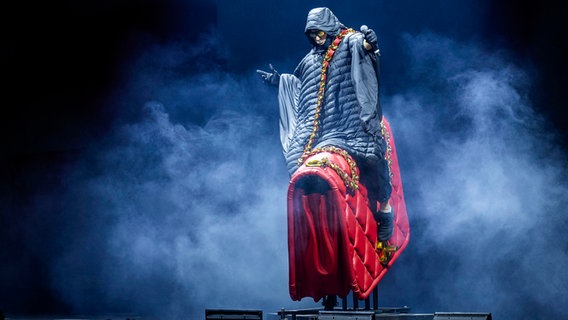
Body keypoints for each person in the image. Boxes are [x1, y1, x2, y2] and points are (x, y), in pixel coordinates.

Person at [257, 7, 393, 241]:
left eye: (320, 33)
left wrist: (370, 45)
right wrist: (281, 82)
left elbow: (365, 49)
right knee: (298, 165)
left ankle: (385, 210)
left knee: (372, 154)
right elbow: (300, 85)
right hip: (323, 131)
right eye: (313, 35)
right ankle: (326, 226)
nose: (318, 38)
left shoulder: (349, 41)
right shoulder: (309, 60)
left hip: (351, 121)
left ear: (329, 27)